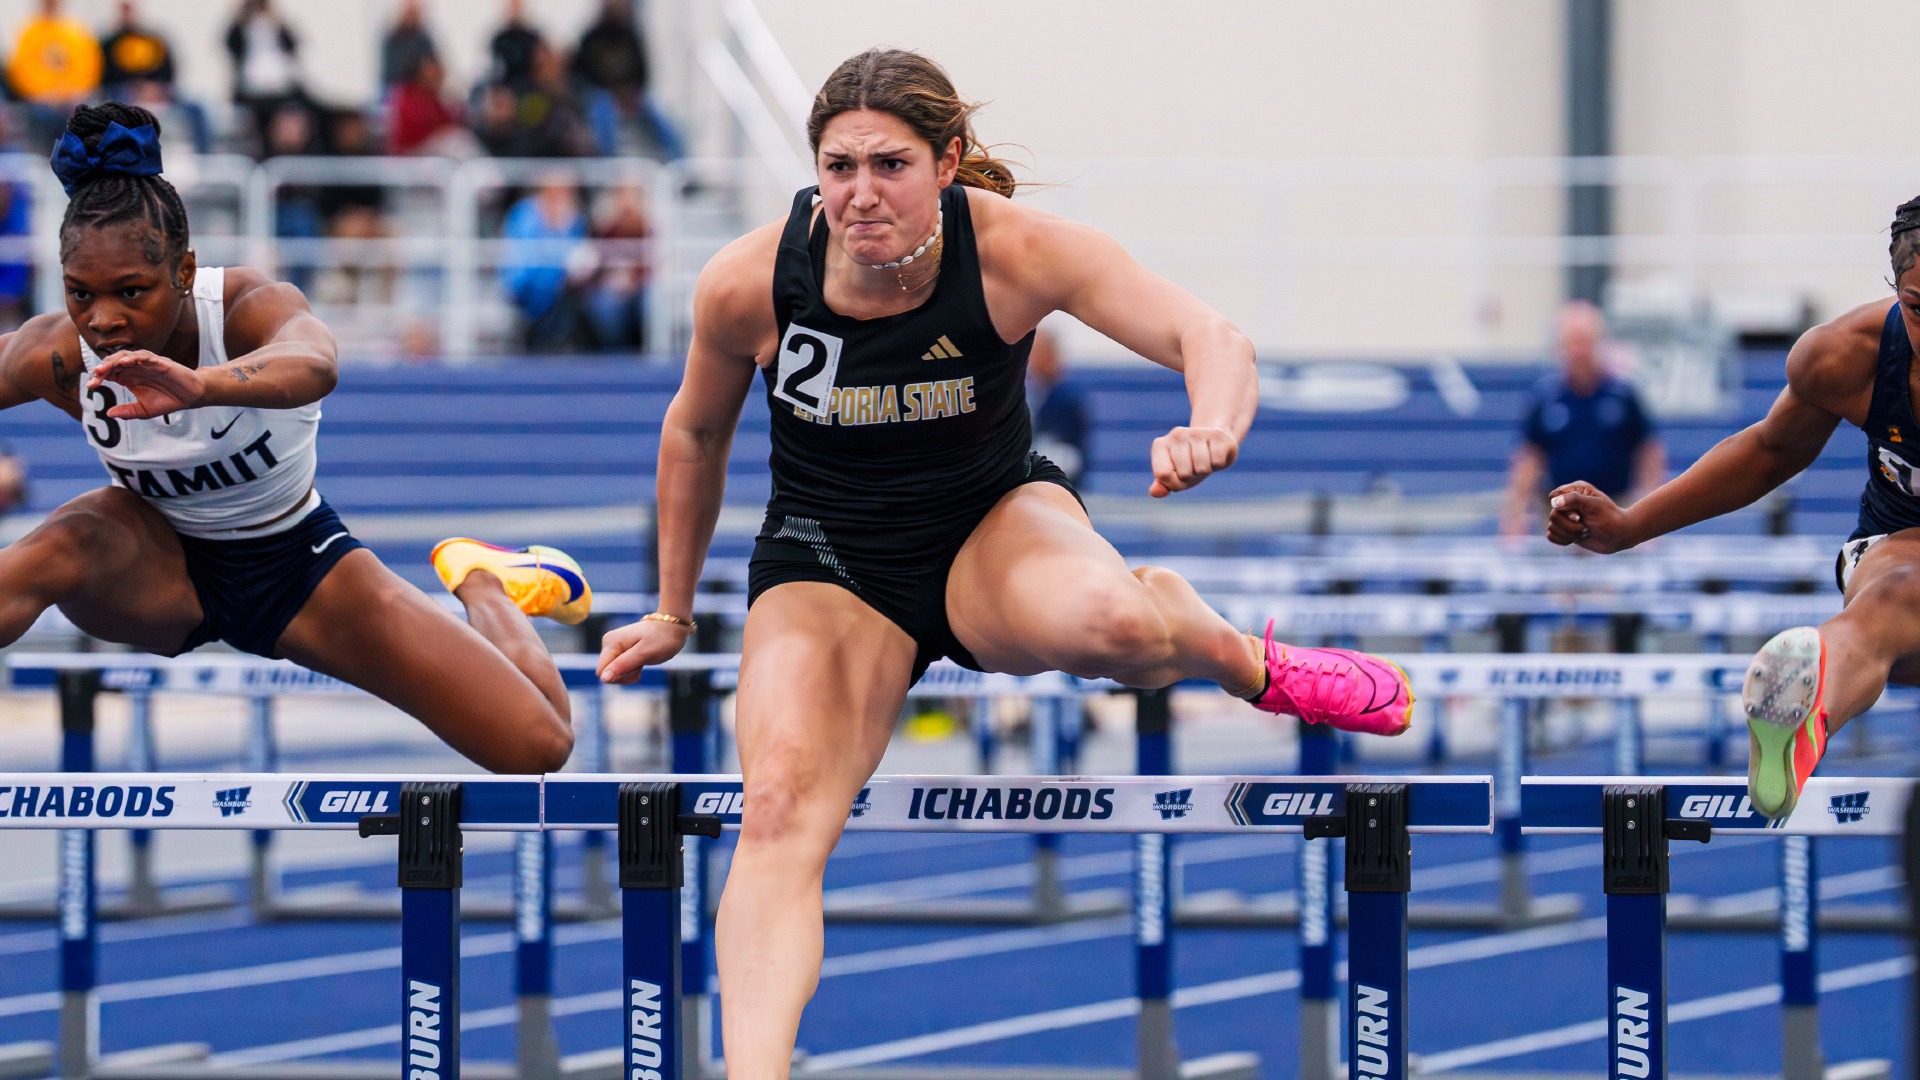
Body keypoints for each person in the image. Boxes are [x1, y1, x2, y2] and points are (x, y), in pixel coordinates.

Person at [593, 49, 1414, 1077]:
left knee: (1111, 626)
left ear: (950, 163)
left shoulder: (1017, 252)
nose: (860, 194)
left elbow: (1211, 333)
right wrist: (672, 611)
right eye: (837, 166)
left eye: (889, 165)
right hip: (828, 558)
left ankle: (1238, 656)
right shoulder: (749, 283)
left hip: (991, 527)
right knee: (780, 806)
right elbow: (693, 436)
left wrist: (1211, 424)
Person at [0, 102, 592, 774]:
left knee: (539, 745)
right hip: (161, 568)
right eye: (81, 295)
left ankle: (483, 580)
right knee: (65, 539)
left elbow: (316, 362)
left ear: (184, 273)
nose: (103, 320)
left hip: (300, 566)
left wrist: (206, 385)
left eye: (132, 293)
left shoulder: (247, 306)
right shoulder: (59, 352)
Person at [1547, 195, 1920, 820]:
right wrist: (1632, 524)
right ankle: (1801, 709)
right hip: (1895, 552)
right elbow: (1771, 450)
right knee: (1895, 591)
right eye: (1917, 308)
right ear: (1895, 290)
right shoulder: (1847, 356)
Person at [1502, 300, 1664, 536]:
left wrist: (1649, 514)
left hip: (1617, 506)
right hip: (1558, 512)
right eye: (1572, 342)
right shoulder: (1545, 397)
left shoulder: (1623, 395)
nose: (1579, 350)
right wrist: (1515, 516)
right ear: (1560, 346)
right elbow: (1530, 458)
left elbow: (1648, 454)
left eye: (1585, 341)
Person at [8, 0, 101, 146]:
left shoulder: (76, 31)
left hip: (72, 95)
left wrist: (74, 91)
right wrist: (42, 94)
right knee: (43, 116)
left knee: (85, 114)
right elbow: (21, 70)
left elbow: (88, 65)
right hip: (40, 98)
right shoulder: (29, 32)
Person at [224, 0, 302, 156]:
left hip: (280, 92)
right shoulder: (242, 26)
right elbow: (230, 44)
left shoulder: (275, 25)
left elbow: (293, 45)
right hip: (251, 94)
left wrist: (275, 19)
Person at [1026, 327, 1089, 484]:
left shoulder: (1066, 397)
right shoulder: (1036, 392)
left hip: (1061, 480)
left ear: (1050, 355)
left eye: (1035, 353)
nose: (1030, 360)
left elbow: (1067, 453)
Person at [379, 0, 438, 92]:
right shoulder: (393, 39)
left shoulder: (424, 39)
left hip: (421, 90)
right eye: (410, 13)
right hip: (396, 89)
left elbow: (433, 63)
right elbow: (393, 71)